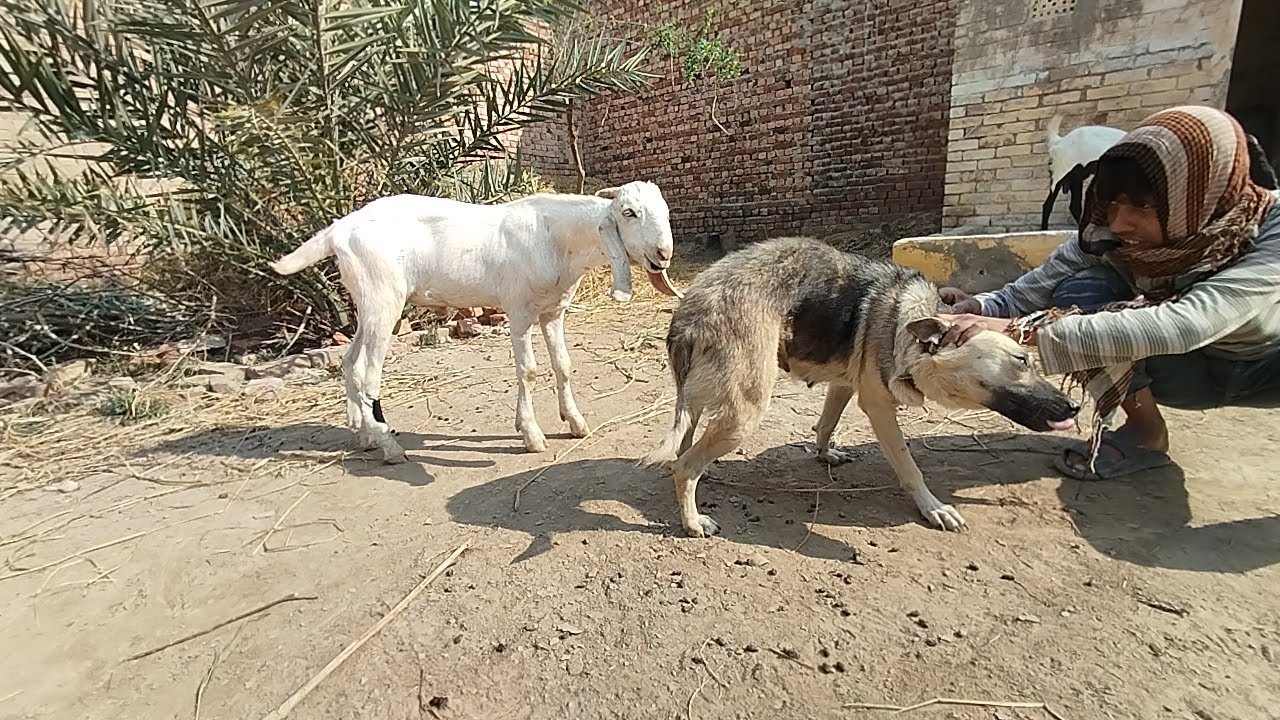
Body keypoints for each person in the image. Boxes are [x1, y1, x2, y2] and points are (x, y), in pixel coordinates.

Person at [938, 105, 1280, 481]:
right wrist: (979, 306)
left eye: (1143, 205)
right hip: (1185, 374)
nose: (1119, 222)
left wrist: (1019, 330)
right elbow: (1035, 287)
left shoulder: (1269, 227)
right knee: (1081, 289)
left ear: (1199, 190)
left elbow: (1190, 323)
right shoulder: (1105, 233)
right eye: (1112, 202)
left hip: (1264, 369)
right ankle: (1146, 433)